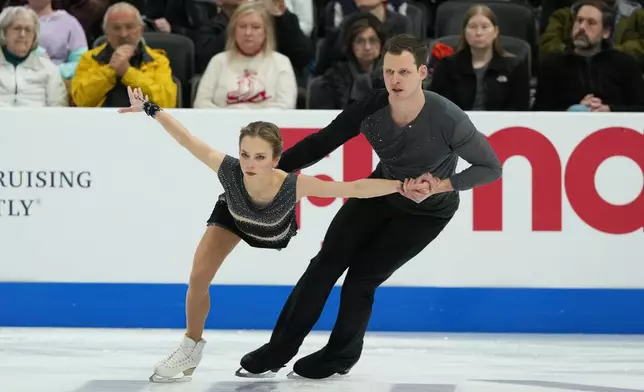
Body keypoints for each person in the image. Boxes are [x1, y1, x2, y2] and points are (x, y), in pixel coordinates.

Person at [236, 33, 503, 380]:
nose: (395, 80)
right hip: (381, 191)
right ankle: (278, 350)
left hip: (428, 212)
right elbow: (322, 142)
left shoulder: (448, 118)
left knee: (362, 279)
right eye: (389, 71)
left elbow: (491, 168)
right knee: (324, 265)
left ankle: (339, 356)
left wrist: (442, 184)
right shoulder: (372, 107)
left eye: (404, 72)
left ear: (422, 72)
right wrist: (275, 170)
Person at [116, 86, 426, 383]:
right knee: (198, 277)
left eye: (260, 157)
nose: (250, 164)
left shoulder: (293, 184)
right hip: (234, 217)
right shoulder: (230, 170)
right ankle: (190, 348)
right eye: (245, 154)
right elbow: (186, 139)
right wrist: (149, 108)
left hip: (273, 230)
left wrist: (400, 186)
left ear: (276, 159)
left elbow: (354, 188)